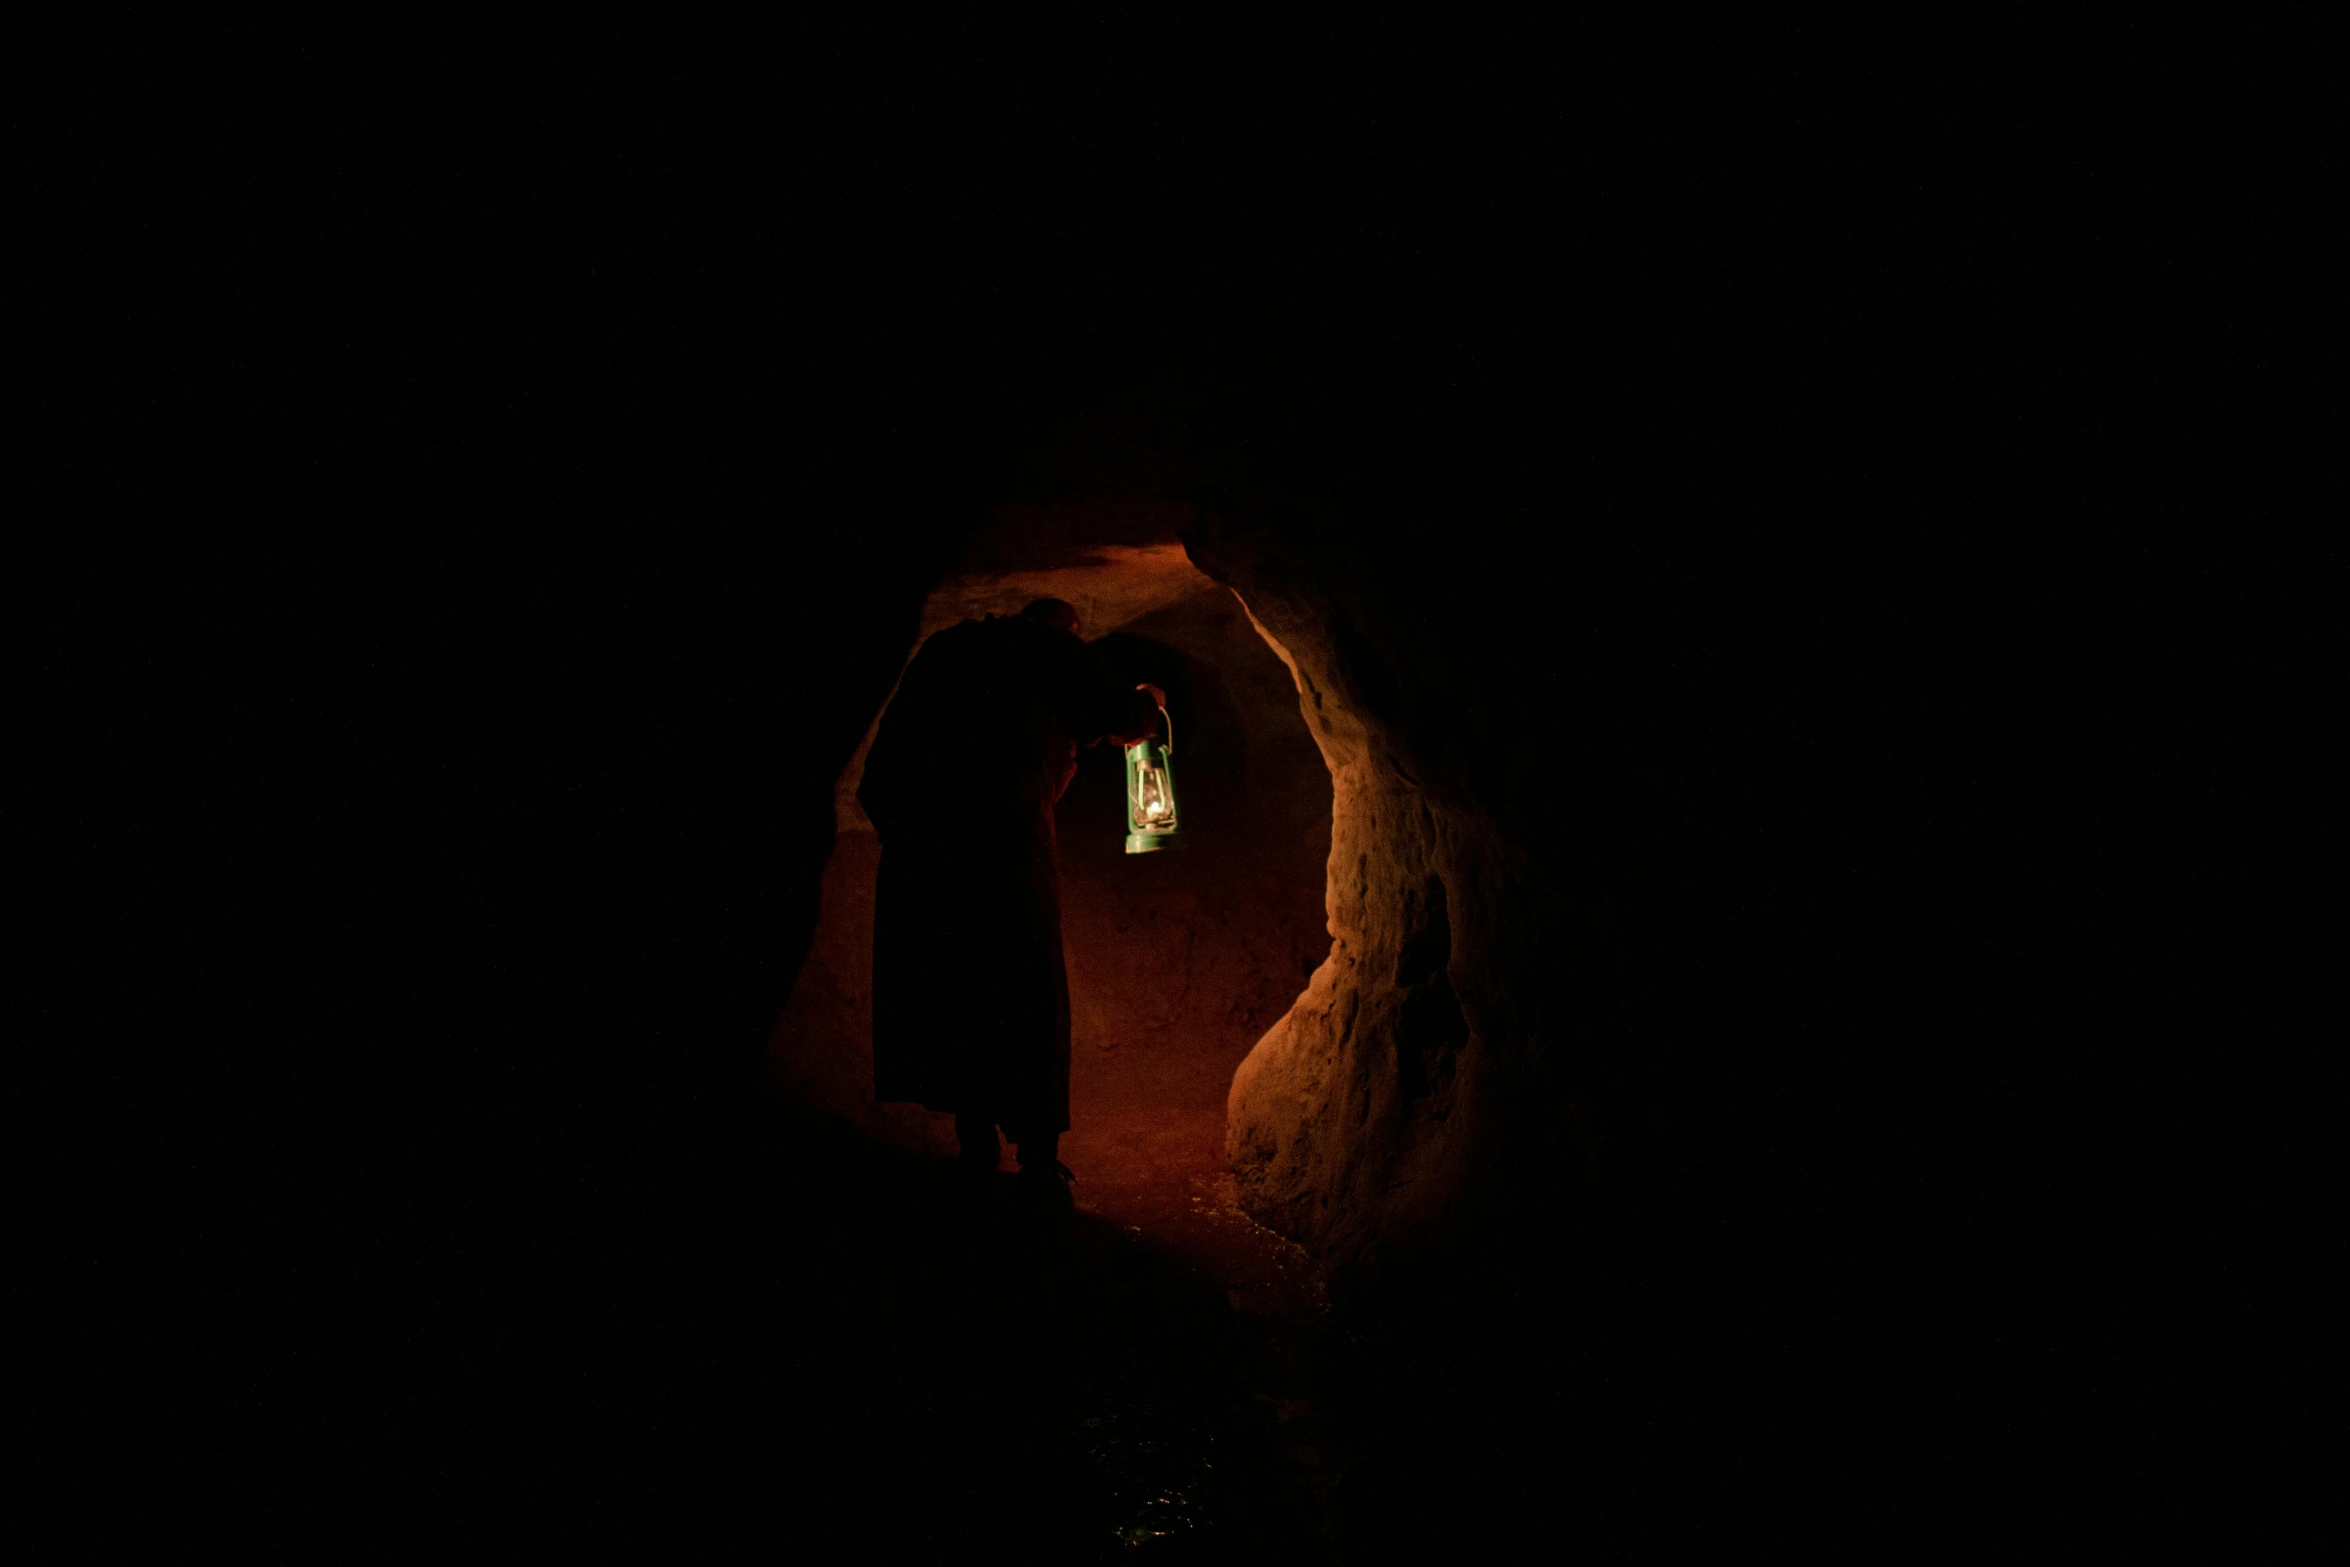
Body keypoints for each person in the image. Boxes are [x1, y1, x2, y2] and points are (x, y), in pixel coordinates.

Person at [856, 597, 1163, 1205]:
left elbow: (881, 772)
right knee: (1026, 989)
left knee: (955, 991)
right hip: (1005, 852)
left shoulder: (945, 650)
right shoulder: (1051, 650)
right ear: (1069, 632)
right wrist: (1150, 704)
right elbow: (1119, 714)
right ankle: (1039, 1160)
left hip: (928, 854)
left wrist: (918, 841)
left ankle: (975, 1145)